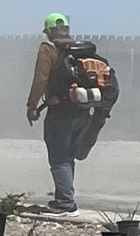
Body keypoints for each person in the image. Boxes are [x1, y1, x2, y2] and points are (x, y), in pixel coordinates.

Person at [26, 13, 118, 209]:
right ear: (67, 29)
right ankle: (63, 197)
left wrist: (32, 106)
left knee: (59, 157)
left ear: (49, 31)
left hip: (60, 112)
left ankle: (66, 203)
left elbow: (41, 79)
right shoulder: (83, 51)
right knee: (68, 157)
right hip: (84, 111)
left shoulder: (48, 49)